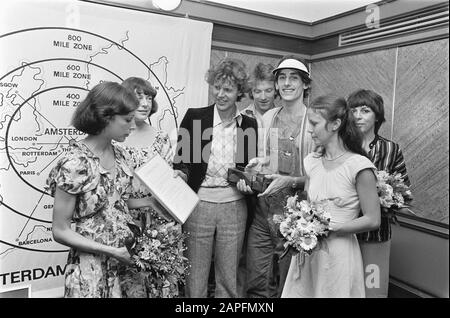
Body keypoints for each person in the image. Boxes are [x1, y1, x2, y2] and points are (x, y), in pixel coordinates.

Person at [46, 81, 155, 298]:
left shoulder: (122, 156)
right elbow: (60, 230)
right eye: (127, 120)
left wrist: (150, 203)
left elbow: (114, 203)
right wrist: (112, 251)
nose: (133, 127)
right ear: (106, 117)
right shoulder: (75, 163)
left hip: (126, 266)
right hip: (91, 271)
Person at [173, 58, 258, 298]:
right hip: (198, 205)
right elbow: (182, 161)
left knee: (228, 276)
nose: (220, 94)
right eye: (217, 87)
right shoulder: (195, 118)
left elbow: (248, 168)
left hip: (235, 206)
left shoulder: (248, 125)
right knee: (195, 275)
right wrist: (180, 173)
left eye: (228, 89)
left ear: (239, 92)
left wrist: (248, 183)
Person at [281, 94, 381, 298]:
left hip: (339, 254)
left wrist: (332, 229)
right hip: (308, 252)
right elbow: (306, 205)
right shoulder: (312, 161)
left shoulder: (359, 167)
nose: (309, 129)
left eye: (314, 123)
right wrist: (298, 225)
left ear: (335, 124)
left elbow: (373, 219)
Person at [237, 55, 314, 298]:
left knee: (290, 286)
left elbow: (319, 176)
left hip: (296, 219)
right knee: (255, 283)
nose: (287, 83)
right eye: (282, 78)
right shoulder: (269, 117)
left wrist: (290, 180)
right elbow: (271, 159)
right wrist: (256, 168)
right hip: (263, 214)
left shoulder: (313, 122)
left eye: (294, 78)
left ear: (305, 84)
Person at [119, 77, 187, 297]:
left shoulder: (161, 139)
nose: (146, 103)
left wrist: (178, 177)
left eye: (149, 97)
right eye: (139, 97)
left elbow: (169, 180)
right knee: (130, 284)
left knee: (161, 285)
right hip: (126, 221)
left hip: (160, 223)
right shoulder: (114, 139)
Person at [348, 89, 411, 298]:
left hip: (376, 236)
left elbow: (405, 192)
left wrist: (385, 199)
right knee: (344, 288)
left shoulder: (391, 149)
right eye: (353, 110)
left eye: (365, 110)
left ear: (377, 116)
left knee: (372, 288)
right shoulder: (341, 147)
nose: (357, 116)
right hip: (344, 233)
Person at [237, 62, 277, 297]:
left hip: (276, 193)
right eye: (258, 91)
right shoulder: (241, 118)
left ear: (276, 91)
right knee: (245, 255)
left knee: (275, 257)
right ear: (251, 92)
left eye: (268, 90)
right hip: (246, 194)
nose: (263, 96)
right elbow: (238, 160)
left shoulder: (282, 118)